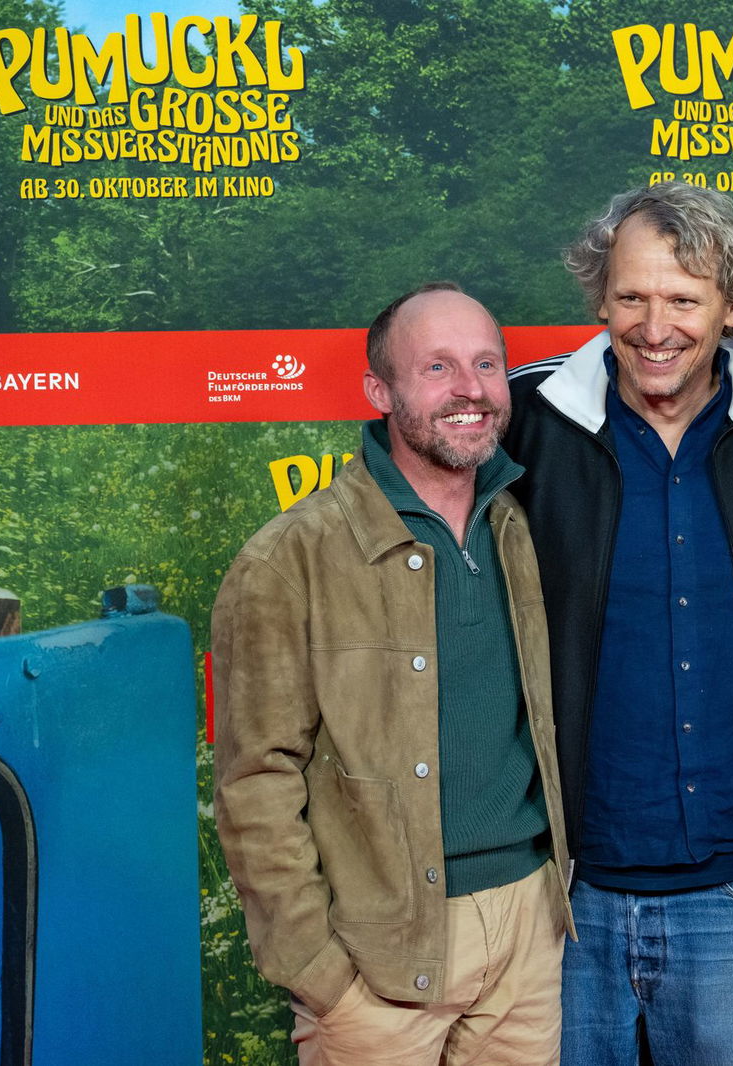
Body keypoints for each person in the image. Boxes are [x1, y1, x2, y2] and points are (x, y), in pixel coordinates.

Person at [503, 182, 733, 1066]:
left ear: (732, 306)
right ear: (600, 298)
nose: (653, 325)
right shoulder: (527, 419)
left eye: (683, 299)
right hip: (565, 895)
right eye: (631, 296)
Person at [212, 284, 572, 1066]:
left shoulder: (513, 525)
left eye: (485, 364)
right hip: (376, 955)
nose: (470, 390)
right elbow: (253, 780)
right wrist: (318, 970)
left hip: (526, 933)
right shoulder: (290, 557)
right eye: (437, 367)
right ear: (380, 391)